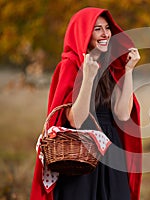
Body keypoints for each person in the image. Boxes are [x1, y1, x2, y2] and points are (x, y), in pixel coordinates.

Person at [30, 7, 142, 200]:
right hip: (79, 154)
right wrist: (88, 76)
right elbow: (77, 120)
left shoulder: (112, 66)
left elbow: (123, 115)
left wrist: (129, 70)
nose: (105, 33)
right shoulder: (70, 65)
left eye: (107, 28)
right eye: (97, 29)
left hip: (110, 150)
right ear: (83, 33)